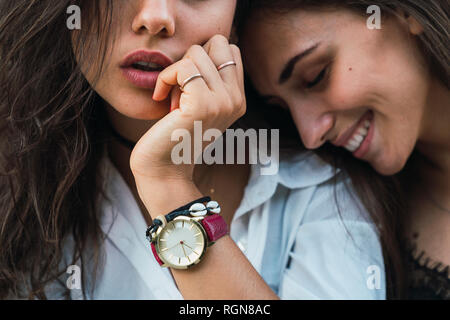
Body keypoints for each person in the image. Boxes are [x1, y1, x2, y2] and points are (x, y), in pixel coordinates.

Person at [0, 0, 383, 299]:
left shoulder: (316, 185)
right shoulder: (17, 191)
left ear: (235, 19)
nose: (155, 18)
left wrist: (169, 184)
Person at [238, 0, 449, 299]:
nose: (311, 135)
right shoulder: (346, 213)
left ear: (404, 12)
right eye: (282, 109)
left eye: (315, 77)